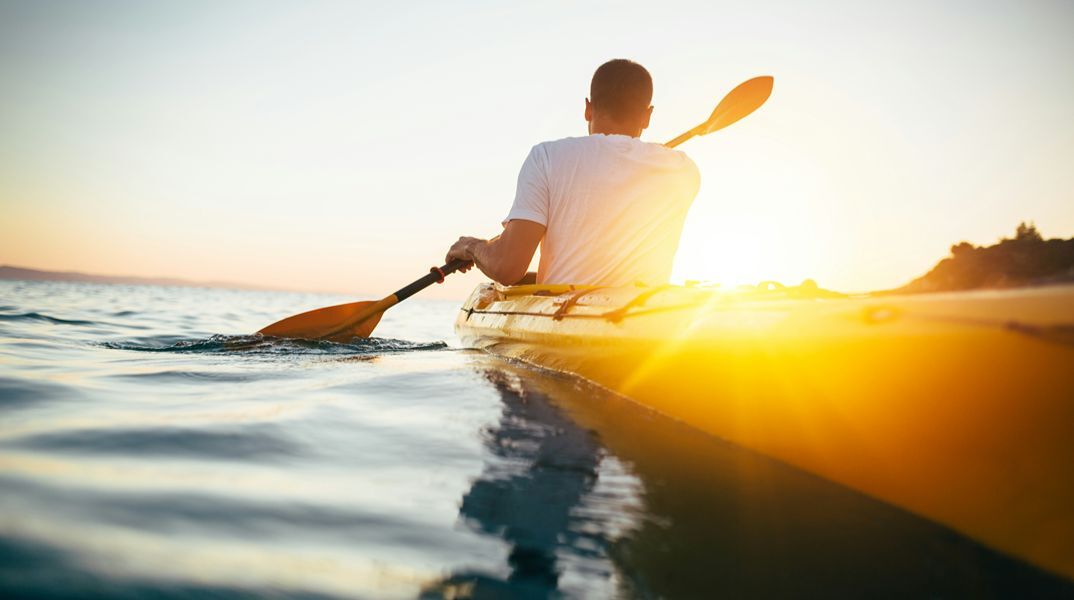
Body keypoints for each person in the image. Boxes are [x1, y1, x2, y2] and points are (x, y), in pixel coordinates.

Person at [445, 59, 701, 287]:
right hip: (645, 321)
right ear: (647, 116)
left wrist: (472, 246)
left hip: (559, 320)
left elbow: (508, 267)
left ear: (588, 108)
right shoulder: (683, 169)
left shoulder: (546, 157)